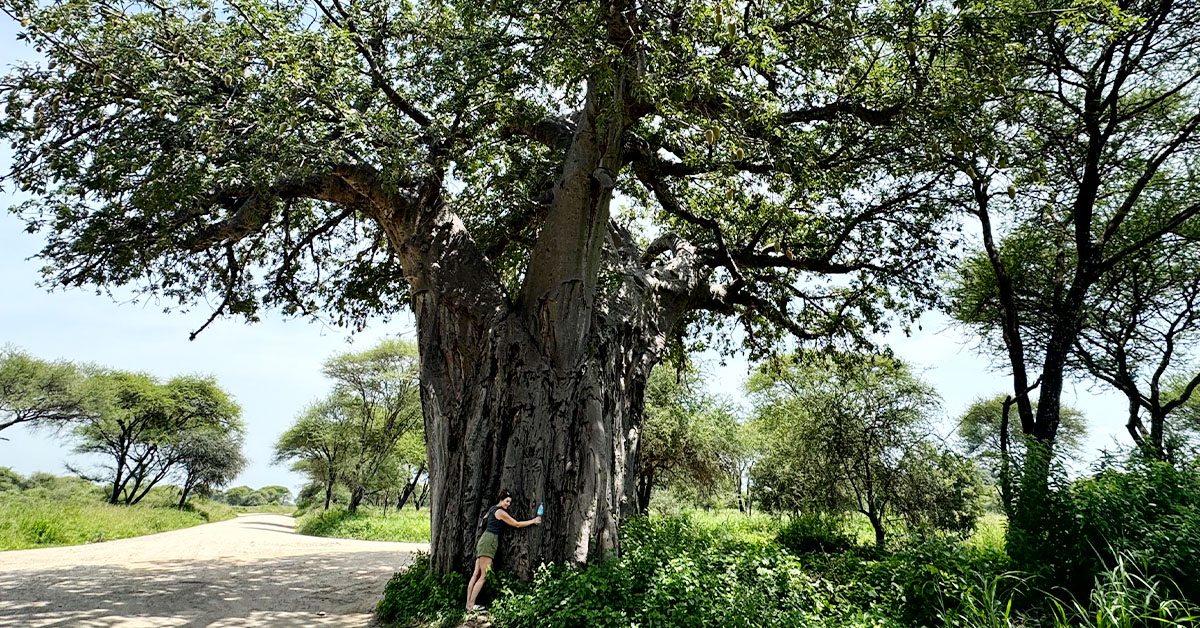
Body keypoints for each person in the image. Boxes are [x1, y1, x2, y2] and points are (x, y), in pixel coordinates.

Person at [466, 489, 541, 611]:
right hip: (489, 541)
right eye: (507, 501)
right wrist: (533, 521)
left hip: (483, 540)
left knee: (476, 574)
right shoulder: (500, 512)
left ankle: (468, 604)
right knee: (484, 576)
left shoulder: (491, 509)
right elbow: (516, 524)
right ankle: (471, 605)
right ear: (501, 500)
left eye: (510, 502)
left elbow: (482, 523)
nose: (508, 504)